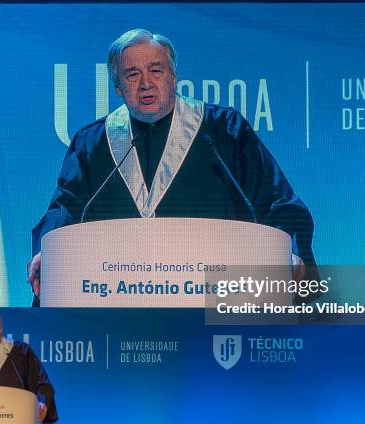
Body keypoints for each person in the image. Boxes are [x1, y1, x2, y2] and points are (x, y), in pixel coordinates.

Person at [28, 29, 317, 305]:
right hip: (117, 303)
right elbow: (65, 208)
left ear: (174, 77)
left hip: (214, 301)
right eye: (132, 74)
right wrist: (47, 252)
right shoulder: (92, 143)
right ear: (118, 87)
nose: (145, 83)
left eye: (156, 70)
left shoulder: (222, 131)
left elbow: (277, 200)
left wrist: (287, 250)